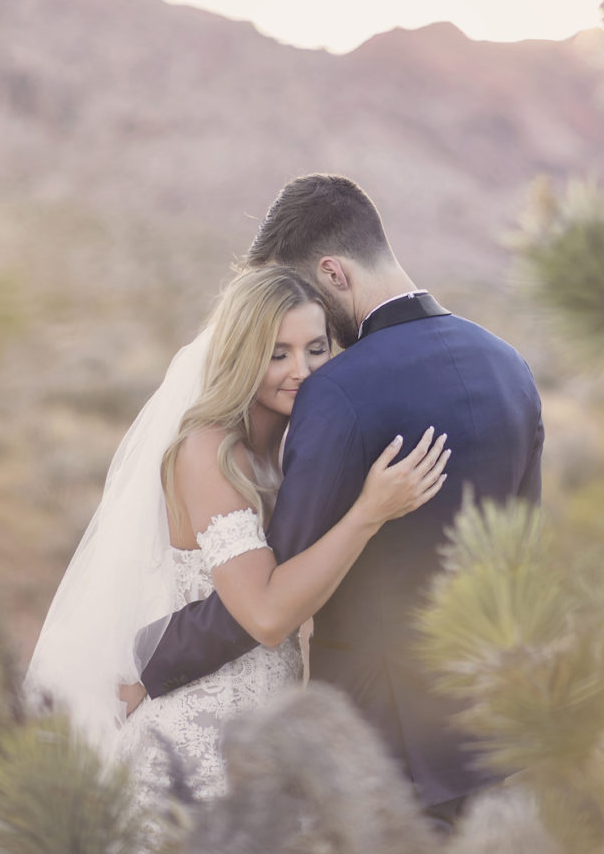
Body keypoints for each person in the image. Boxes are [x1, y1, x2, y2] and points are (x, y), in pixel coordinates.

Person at [136, 174, 544, 832]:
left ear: (333, 272)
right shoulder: (510, 366)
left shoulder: (341, 389)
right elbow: (523, 551)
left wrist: (148, 658)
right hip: (489, 731)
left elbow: (272, 589)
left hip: (377, 746)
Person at [25, 264, 446, 809]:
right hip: (200, 744)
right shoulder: (209, 451)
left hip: (267, 737)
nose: (303, 370)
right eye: (278, 353)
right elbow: (266, 615)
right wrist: (369, 512)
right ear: (240, 354)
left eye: (316, 348)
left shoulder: (291, 453)